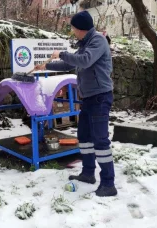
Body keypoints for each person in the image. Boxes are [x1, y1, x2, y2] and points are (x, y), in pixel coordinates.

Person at [34, 11, 116, 197]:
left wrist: (61, 53)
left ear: (80, 28)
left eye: (72, 27)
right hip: (88, 98)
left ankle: (108, 183)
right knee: (85, 137)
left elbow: (85, 61)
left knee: (100, 140)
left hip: (100, 97)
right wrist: (46, 66)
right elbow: (69, 65)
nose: (71, 31)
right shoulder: (85, 44)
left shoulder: (97, 41)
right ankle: (88, 173)